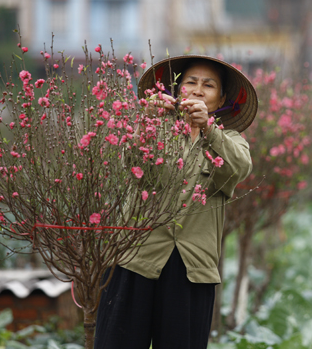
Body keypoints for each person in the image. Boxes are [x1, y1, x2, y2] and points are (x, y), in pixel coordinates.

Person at [93, 55, 257, 349]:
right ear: (176, 90)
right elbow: (131, 163)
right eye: (190, 82)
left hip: (192, 270)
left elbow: (238, 169)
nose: (197, 90)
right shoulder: (157, 129)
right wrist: (148, 124)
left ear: (221, 99)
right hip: (136, 259)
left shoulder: (231, 139)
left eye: (208, 85)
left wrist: (208, 129)